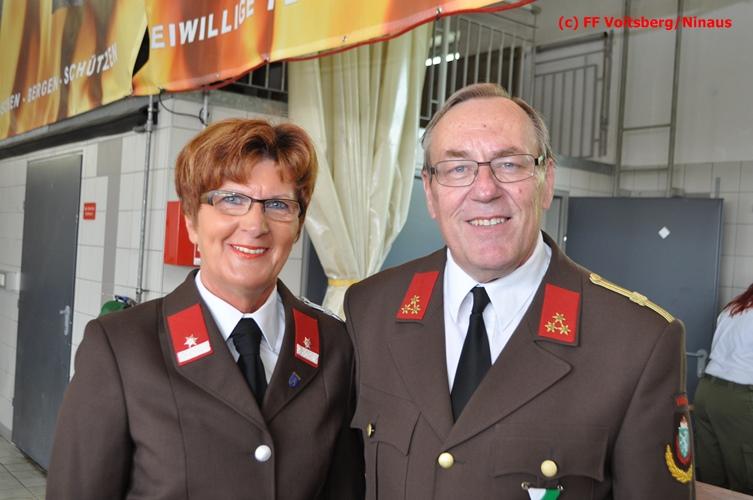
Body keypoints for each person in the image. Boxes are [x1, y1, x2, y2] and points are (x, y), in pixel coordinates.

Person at [344, 83, 694, 499]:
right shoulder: (372, 309)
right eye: (457, 168)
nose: (485, 189)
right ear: (430, 192)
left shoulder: (637, 342)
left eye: (509, 164)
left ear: (546, 181)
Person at [47, 119, 364, 499]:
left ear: (297, 227)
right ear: (191, 221)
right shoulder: (121, 347)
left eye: (278, 204)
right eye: (231, 199)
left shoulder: (333, 345)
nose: (255, 224)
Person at [694, 283, 753, 494]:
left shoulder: (732, 308)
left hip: (706, 392)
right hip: (737, 399)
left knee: (711, 472)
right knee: (745, 474)